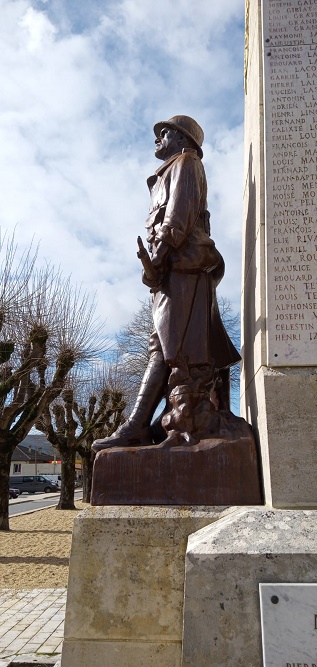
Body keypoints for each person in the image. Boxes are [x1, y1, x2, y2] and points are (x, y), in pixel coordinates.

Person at [93, 115, 240, 451]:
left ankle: (138, 425)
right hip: (174, 270)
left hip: (183, 268)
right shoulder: (169, 170)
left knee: (167, 348)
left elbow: (177, 217)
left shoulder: (186, 163)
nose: (158, 137)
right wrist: (155, 268)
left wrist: (157, 258)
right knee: (164, 346)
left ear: (183, 139)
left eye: (165, 132)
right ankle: (143, 424)